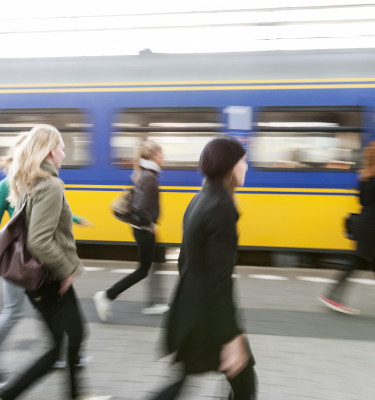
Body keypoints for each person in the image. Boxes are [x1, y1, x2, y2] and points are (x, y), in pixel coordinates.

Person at [0, 125, 110, 400]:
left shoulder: (28, 181)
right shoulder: (48, 185)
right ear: (51, 151)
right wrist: (68, 271)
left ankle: (71, 394)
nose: (64, 152)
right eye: (61, 147)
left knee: (69, 339)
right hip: (48, 278)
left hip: (39, 278)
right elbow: (39, 240)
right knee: (66, 341)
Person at [149, 137, 257, 400]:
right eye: (243, 162)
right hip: (208, 313)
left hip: (192, 308)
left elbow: (184, 261)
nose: (246, 168)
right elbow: (220, 281)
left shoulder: (199, 199)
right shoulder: (222, 208)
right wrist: (231, 335)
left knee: (185, 380)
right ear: (229, 166)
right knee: (244, 381)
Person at [94, 140, 168, 321]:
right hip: (143, 229)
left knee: (158, 257)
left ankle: (155, 302)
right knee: (143, 269)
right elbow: (140, 208)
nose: (163, 158)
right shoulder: (149, 177)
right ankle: (107, 295)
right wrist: (149, 224)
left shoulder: (145, 174)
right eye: (160, 154)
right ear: (152, 157)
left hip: (141, 228)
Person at [319, 141, 375, 315]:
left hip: (365, 223)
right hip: (371, 226)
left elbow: (362, 201)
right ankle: (332, 297)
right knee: (356, 262)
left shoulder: (364, 176)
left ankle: (332, 296)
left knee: (359, 261)